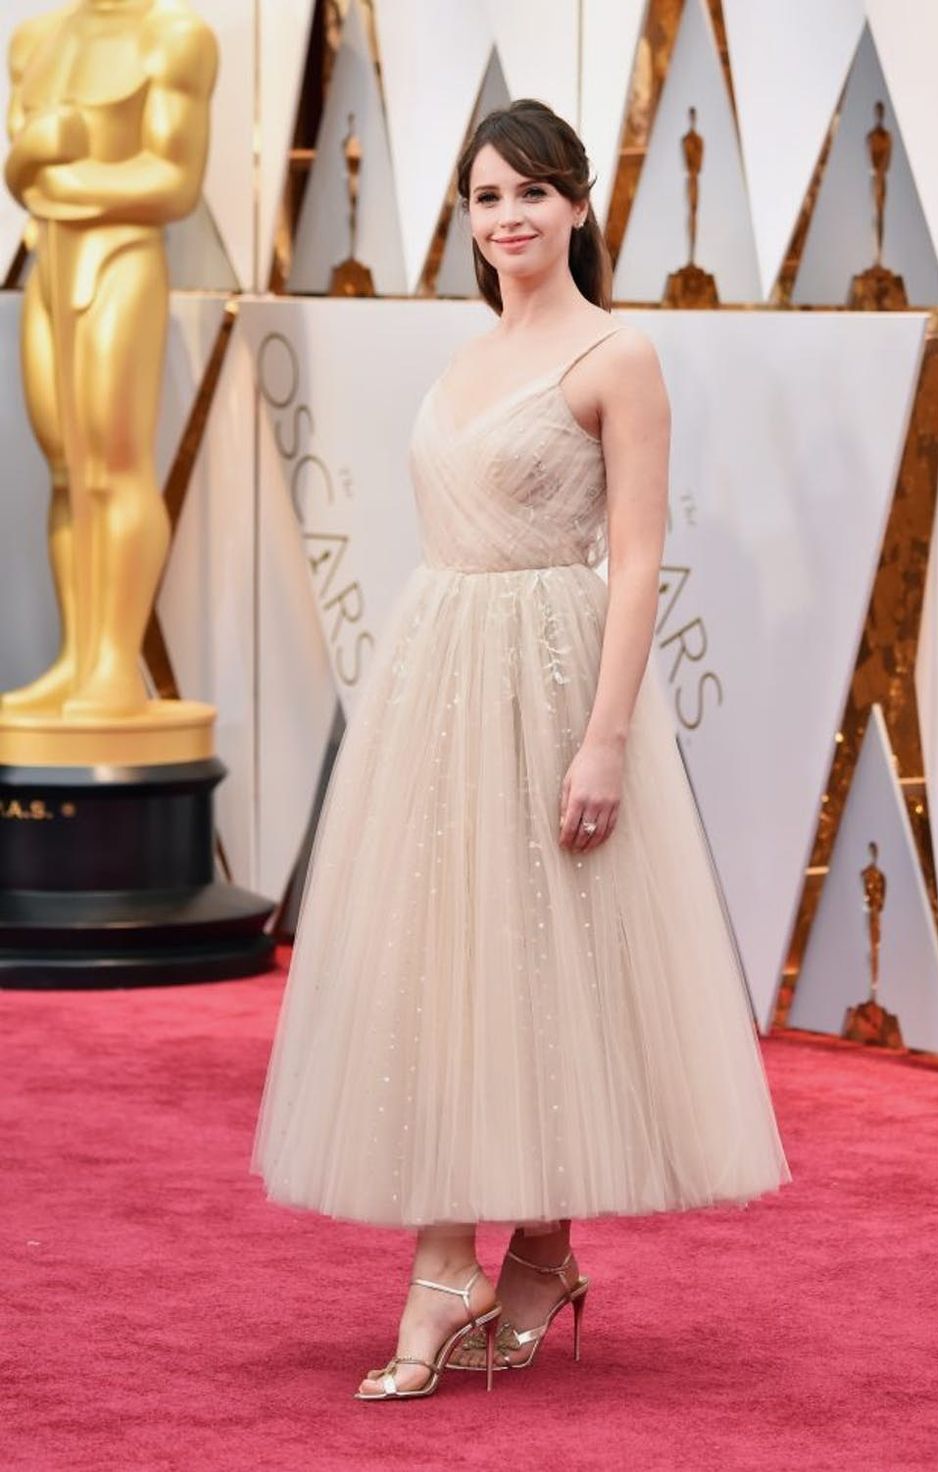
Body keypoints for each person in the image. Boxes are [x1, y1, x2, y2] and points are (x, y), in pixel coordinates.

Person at [251, 98, 791, 1402]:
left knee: (549, 967)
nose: (505, 219)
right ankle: (501, 1255)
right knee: (451, 964)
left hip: (550, 686)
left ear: (580, 206)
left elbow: (639, 555)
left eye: (530, 194)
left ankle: (492, 1260)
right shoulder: (468, 351)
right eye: (485, 197)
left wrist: (605, 739)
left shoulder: (619, 355)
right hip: (438, 675)